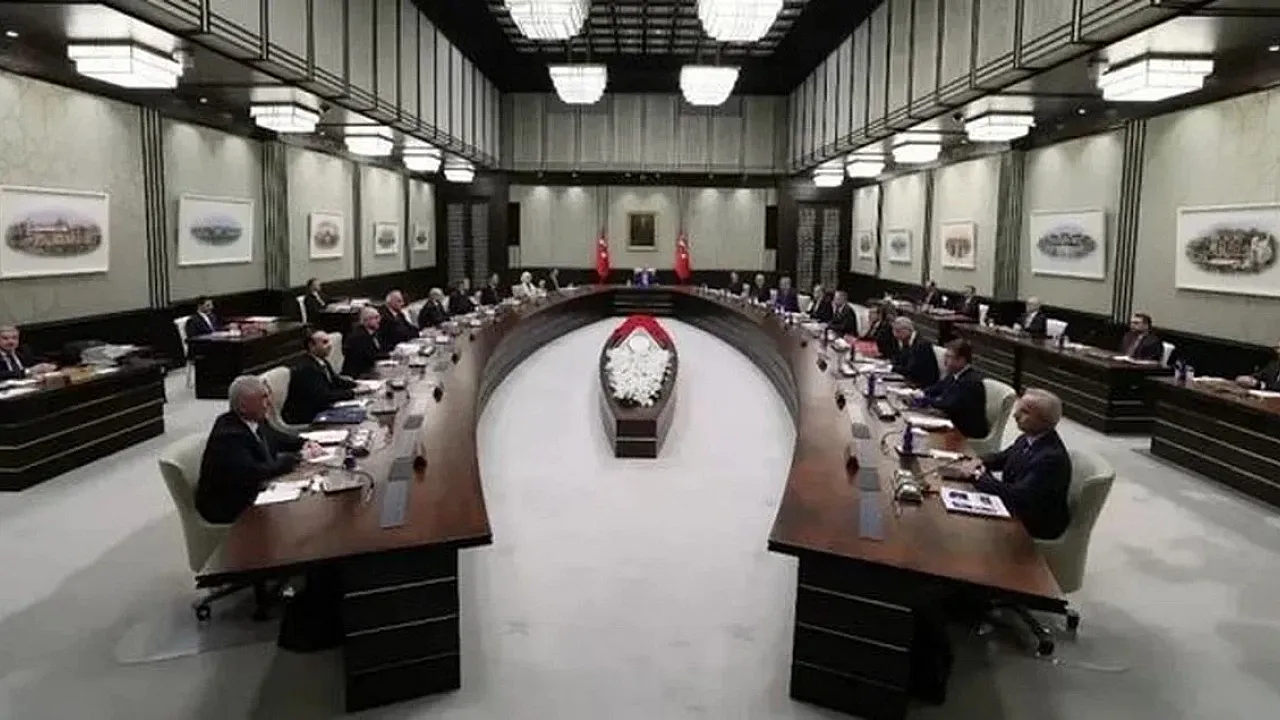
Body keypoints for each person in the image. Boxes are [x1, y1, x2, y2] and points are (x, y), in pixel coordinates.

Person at [195, 375, 319, 524]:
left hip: (254, 490)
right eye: (263, 398)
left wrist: (304, 443)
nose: (269, 403)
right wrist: (296, 458)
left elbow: (277, 438)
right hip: (231, 507)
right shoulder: (229, 436)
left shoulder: (255, 418)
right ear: (243, 406)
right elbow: (254, 472)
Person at [969, 389, 1072, 540]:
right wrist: (976, 460)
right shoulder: (1028, 438)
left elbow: (1017, 497)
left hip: (1033, 525)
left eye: (1025, 412)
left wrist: (977, 475)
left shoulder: (1050, 459)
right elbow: (1001, 458)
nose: (1015, 415)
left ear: (1045, 421)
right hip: (1017, 509)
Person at [282, 330, 363, 425]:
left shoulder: (321, 361)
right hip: (310, 417)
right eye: (325, 342)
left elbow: (335, 381)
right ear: (311, 346)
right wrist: (352, 392)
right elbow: (324, 397)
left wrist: (357, 384)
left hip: (322, 408)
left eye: (329, 341)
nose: (330, 345)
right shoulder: (307, 368)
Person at [915, 340, 989, 439]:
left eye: (949, 357)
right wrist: (922, 392)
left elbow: (948, 404)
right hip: (952, 422)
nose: (945, 361)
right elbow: (938, 387)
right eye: (945, 356)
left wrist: (926, 400)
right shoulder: (955, 374)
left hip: (966, 433)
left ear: (961, 360)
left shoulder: (970, 381)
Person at [890, 316, 940, 387]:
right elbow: (897, 359)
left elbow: (911, 369)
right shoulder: (905, 341)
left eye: (898, 331)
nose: (895, 335)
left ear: (907, 330)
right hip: (909, 379)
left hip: (922, 384)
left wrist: (892, 368)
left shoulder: (921, 345)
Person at [342, 307, 388, 378]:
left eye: (379, 317)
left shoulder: (373, 333)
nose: (379, 320)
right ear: (366, 320)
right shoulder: (358, 336)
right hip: (358, 374)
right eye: (376, 318)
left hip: (370, 369)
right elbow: (371, 357)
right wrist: (390, 355)